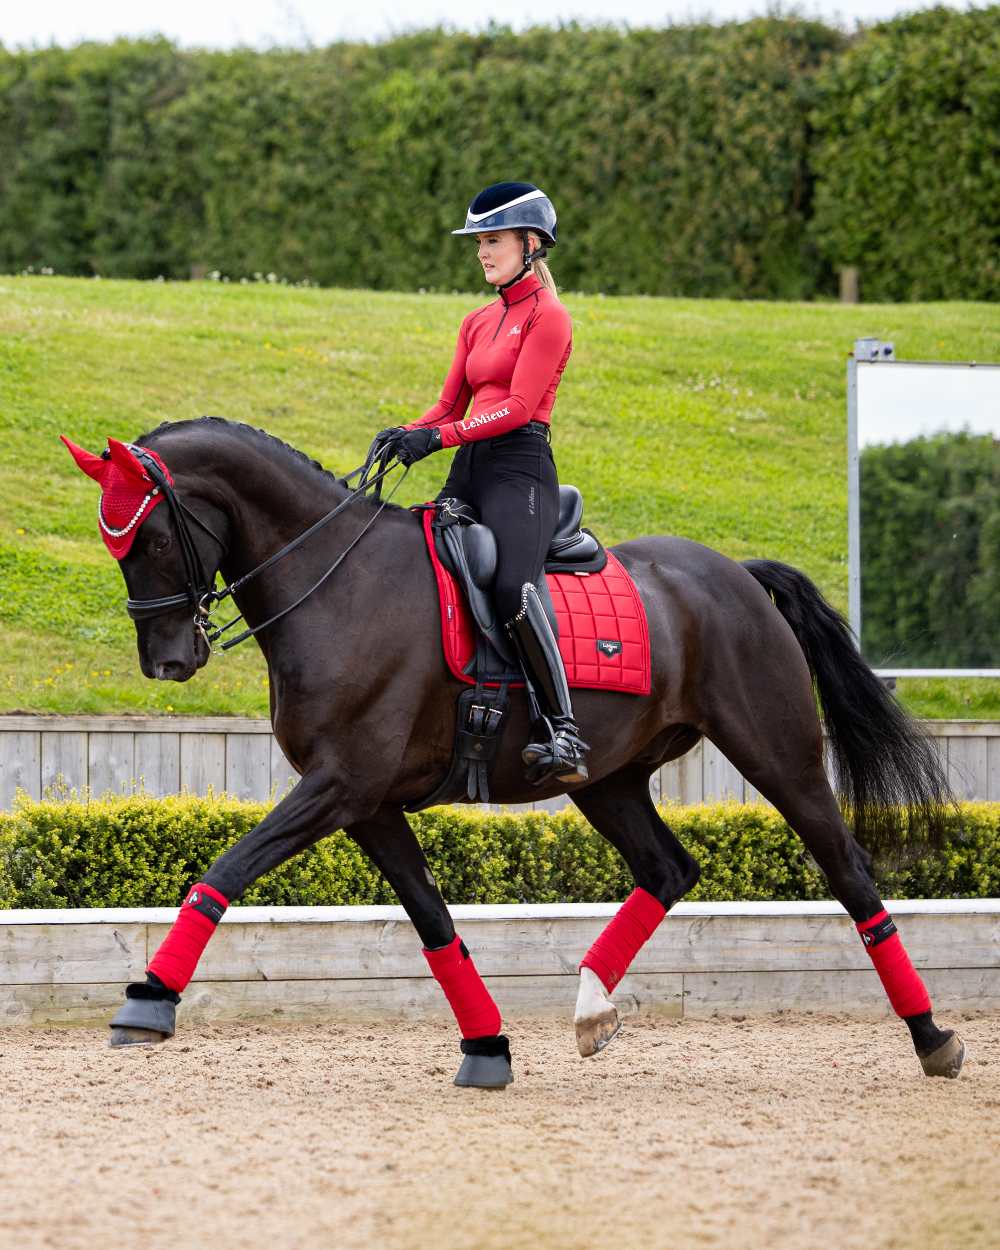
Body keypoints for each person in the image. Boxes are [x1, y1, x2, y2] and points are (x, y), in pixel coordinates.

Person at [369, 181, 589, 785]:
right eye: (478, 243)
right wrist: (405, 432)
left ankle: (564, 730)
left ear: (531, 244)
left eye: (492, 240)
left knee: (516, 584)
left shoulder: (550, 317)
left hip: (520, 470)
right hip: (470, 464)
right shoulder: (476, 320)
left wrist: (438, 439)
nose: (482, 252)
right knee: (422, 561)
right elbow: (447, 405)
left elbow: (518, 407)